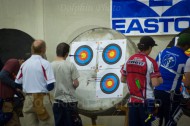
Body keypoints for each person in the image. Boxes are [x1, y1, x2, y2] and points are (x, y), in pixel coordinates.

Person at [120, 36, 163, 126]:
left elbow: (123, 79)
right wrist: (160, 80)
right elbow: (155, 83)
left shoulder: (128, 60)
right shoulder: (151, 62)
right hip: (147, 102)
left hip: (132, 101)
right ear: (150, 47)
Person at [15, 40, 55, 126]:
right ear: (43, 50)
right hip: (41, 99)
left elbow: (17, 83)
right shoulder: (45, 64)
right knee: (46, 123)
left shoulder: (24, 64)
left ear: (32, 50)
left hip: (28, 99)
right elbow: (51, 85)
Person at [154, 33, 190, 126]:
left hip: (156, 92)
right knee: (170, 121)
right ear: (186, 45)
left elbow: (153, 70)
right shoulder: (186, 59)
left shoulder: (162, 52)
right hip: (171, 95)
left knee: (159, 119)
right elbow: (187, 83)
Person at [51, 42, 82, 126]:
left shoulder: (50, 66)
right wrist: (73, 86)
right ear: (67, 54)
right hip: (70, 102)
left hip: (56, 103)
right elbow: (76, 83)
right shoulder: (70, 65)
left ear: (57, 52)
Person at [0, 59, 23, 126]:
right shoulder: (13, 62)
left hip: (10, 101)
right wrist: (15, 85)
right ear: (22, 60)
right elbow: (2, 76)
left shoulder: (15, 71)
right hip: (6, 102)